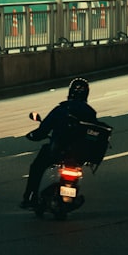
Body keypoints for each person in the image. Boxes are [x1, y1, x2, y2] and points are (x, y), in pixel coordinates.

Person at [20, 77, 97, 209]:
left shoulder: (62, 109)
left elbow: (44, 129)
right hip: (79, 155)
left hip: (58, 151)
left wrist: (33, 135)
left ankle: (30, 197)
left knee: (37, 167)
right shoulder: (90, 112)